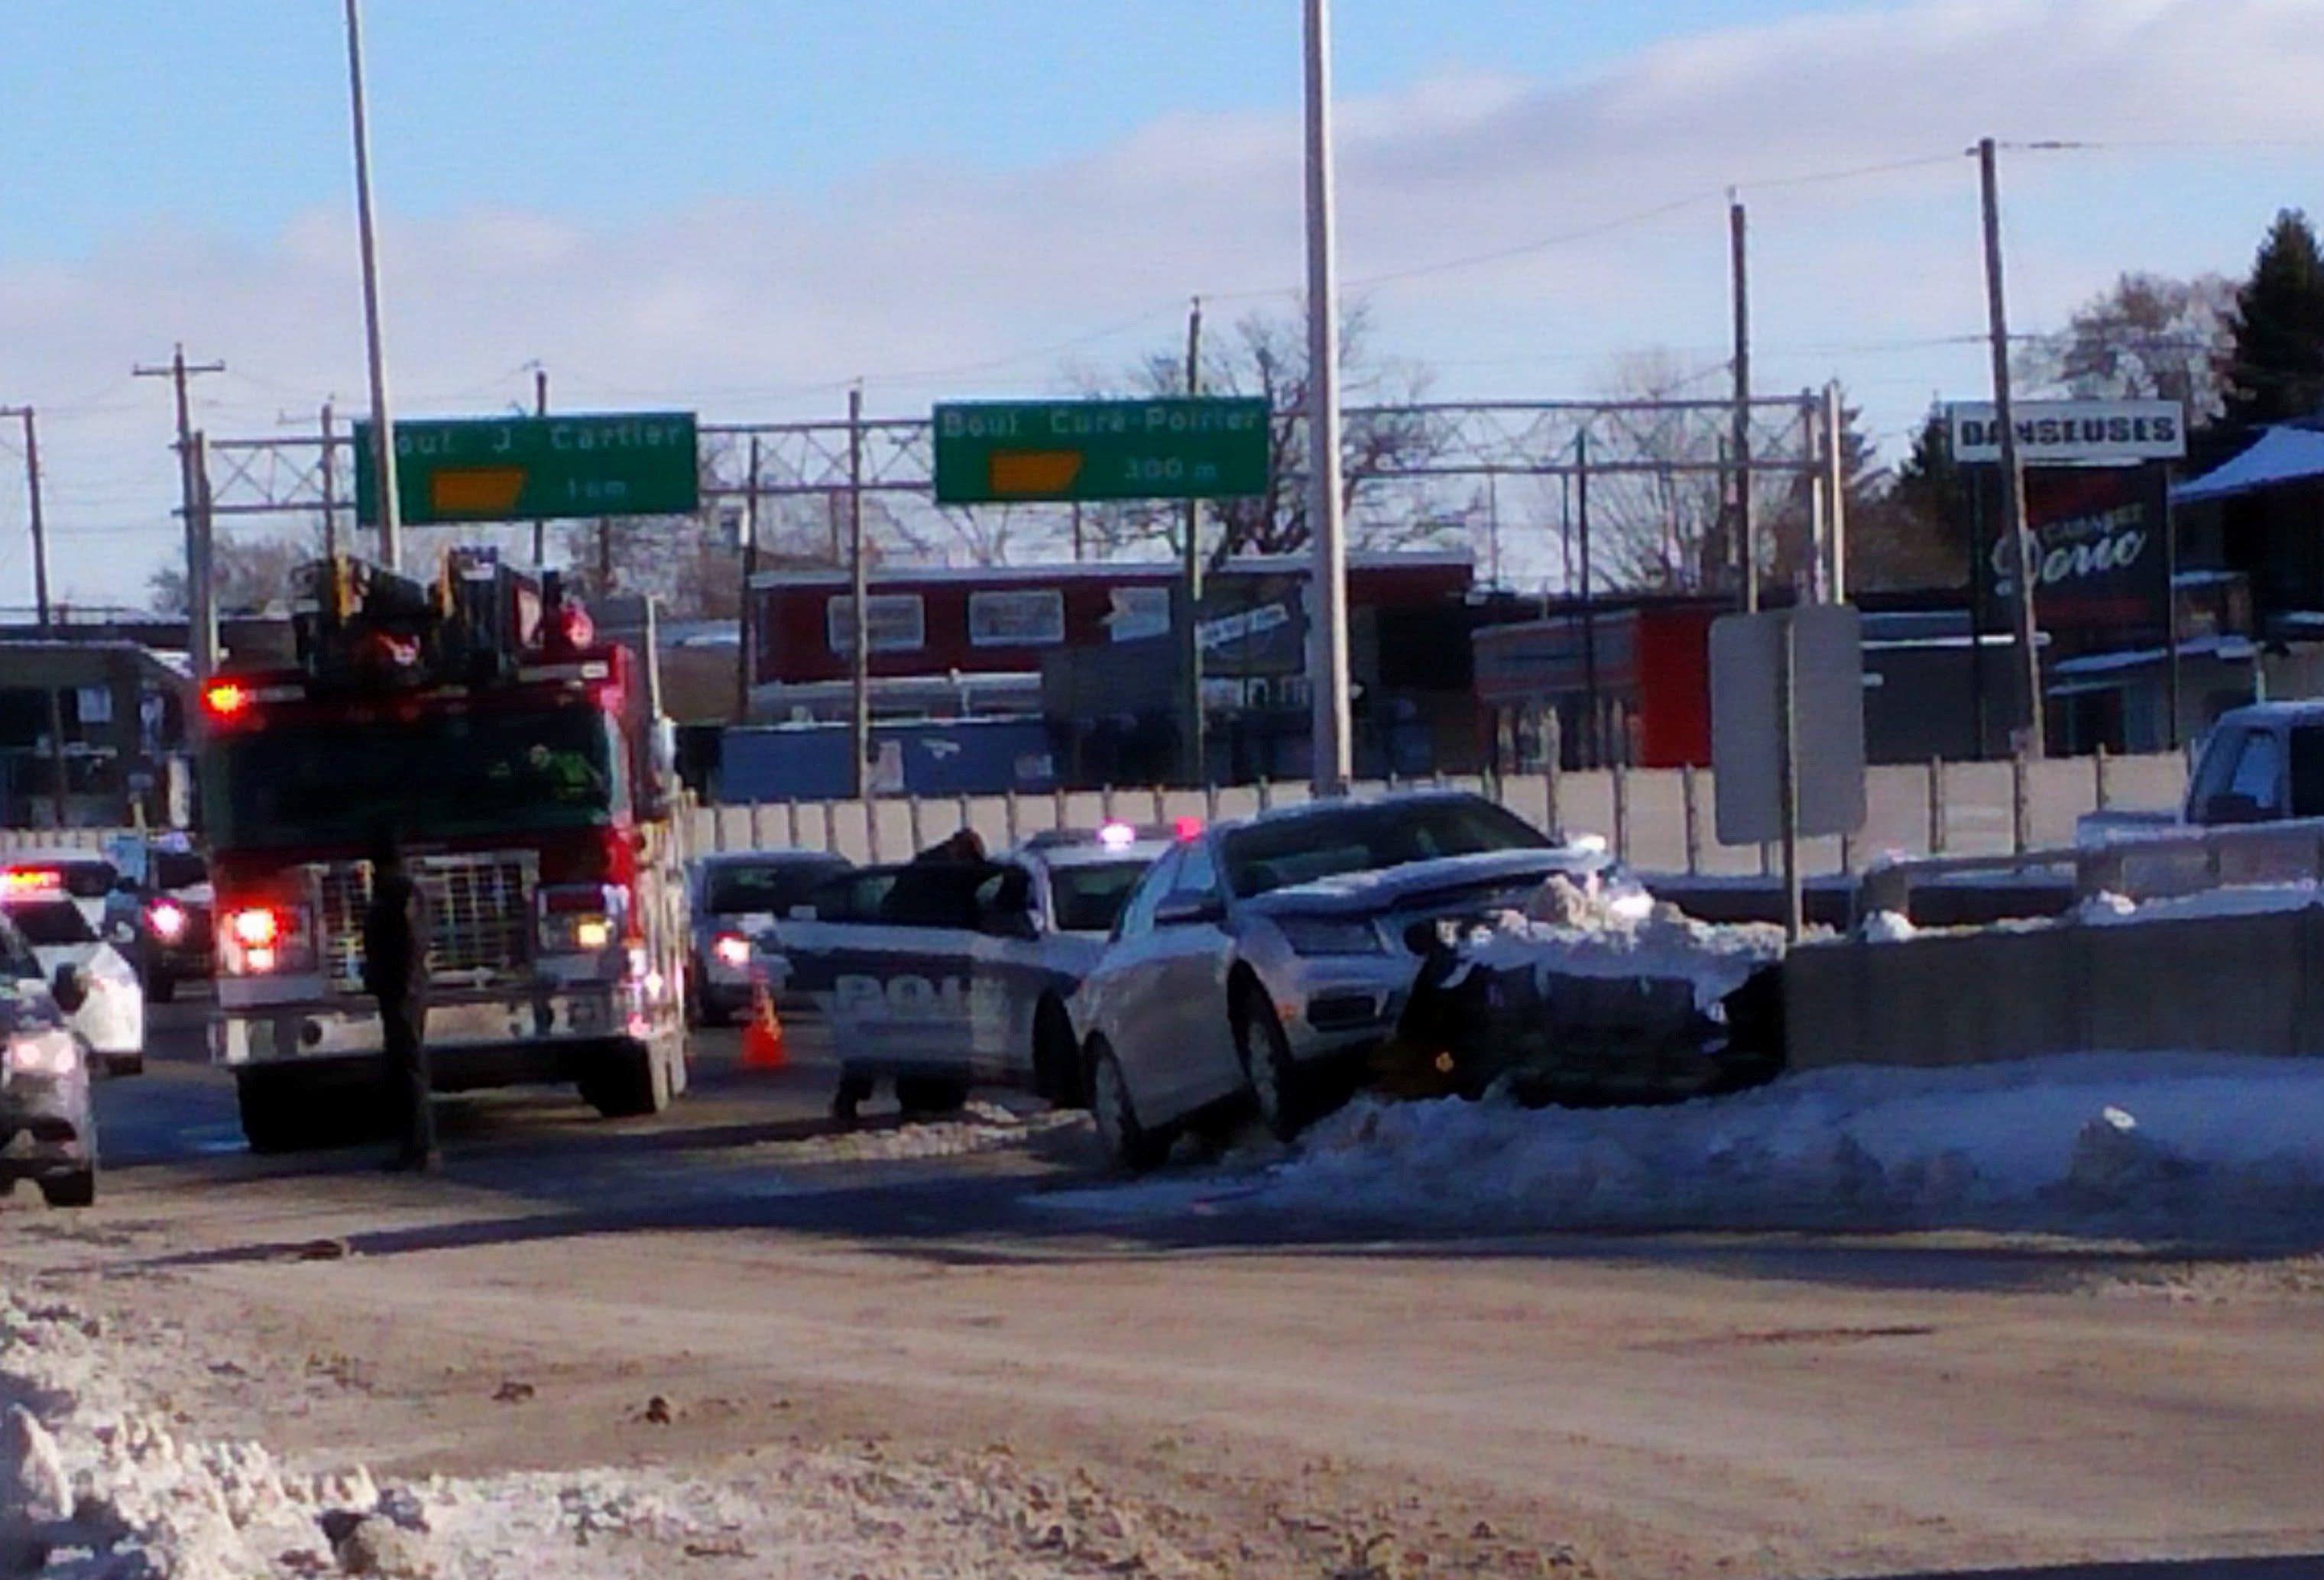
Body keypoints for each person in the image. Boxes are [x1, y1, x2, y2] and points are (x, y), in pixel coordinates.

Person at [361, 825, 438, 1172]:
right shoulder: (398, 891)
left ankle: (420, 1147)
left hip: (401, 991)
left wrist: (404, 984)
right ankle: (413, 1145)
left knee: (409, 1067)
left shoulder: (397, 893)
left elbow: (407, 944)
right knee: (403, 1066)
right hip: (397, 988)